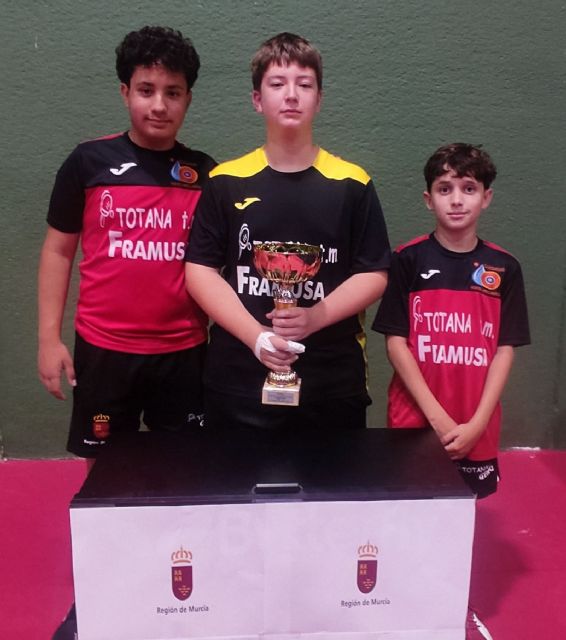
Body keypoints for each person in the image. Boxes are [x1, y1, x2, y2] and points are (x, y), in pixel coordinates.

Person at [185, 32, 390, 431]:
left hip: (332, 381)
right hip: (237, 377)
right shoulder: (225, 180)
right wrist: (257, 337)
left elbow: (374, 272)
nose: (292, 95)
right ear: (257, 99)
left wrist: (313, 317)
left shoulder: (352, 183)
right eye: (277, 84)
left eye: (305, 84)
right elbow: (200, 270)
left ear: (319, 99)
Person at [373, 143, 530, 639]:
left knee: (460, 514)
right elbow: (396, 344)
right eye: (445, 189)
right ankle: (402, 601)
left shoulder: (504, 268)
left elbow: (504, 349)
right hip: (415, 419)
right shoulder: (407, 260)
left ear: (487, 197)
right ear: (428, 199)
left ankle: (446, 605)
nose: (456, 199)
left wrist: (478, 421)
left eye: (468, 188)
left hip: (474, 421)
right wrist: (437, 418)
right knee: (412, 511)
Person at [38, 26, 216, 458]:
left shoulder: (206, 174)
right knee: (102, 468)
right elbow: (58, 252)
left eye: (173, 92)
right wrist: (48, 339)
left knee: (184, 468)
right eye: (146, 90)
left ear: (188, 99)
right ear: (125, 92)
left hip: (184, 351)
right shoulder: (87, 162)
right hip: (104, 350)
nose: (159, 105)